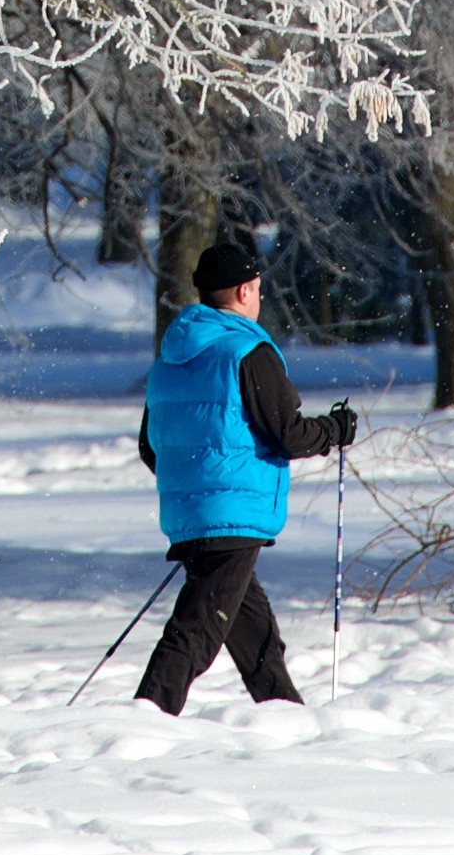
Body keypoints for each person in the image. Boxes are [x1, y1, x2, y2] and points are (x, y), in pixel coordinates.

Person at [129, 236, 357, 714]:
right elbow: (288, 435)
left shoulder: (171, 359)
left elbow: (152, 446)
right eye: (257, 287)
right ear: (242, 292)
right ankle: (145, 716)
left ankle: (286, 714)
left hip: (191, 513)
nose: (259, 296)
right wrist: (335, 430)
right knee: (196, 631)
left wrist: (194, 480)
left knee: (252, 632)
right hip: (231, 515)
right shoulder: (246, 351)